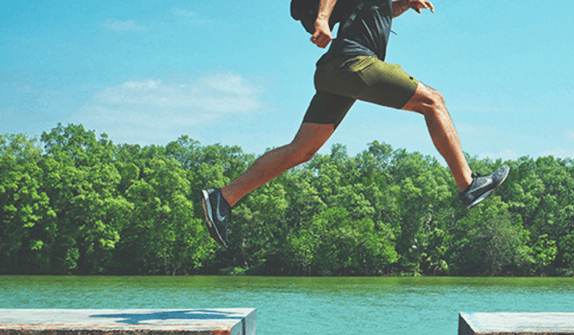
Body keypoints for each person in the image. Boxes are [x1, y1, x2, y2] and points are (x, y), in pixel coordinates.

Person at [201, 0, 509, 246]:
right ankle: (468, 184)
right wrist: (322, 18)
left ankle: (224, 198)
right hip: (353, 64)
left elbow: (377, 12)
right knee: (433, 101)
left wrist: (403, 5)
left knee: (301, 151)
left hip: (333, 72)